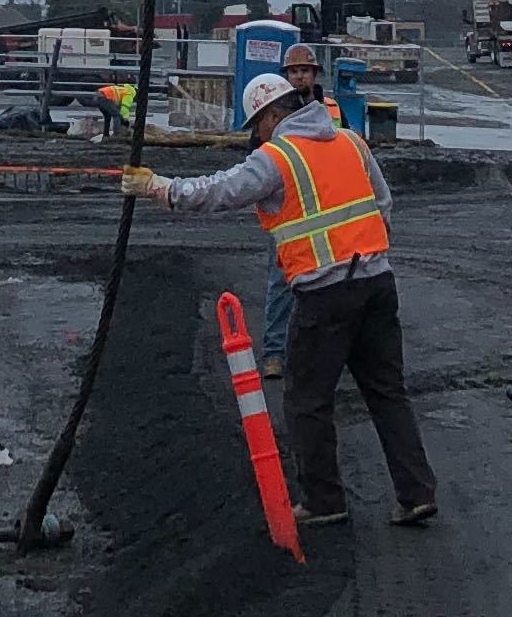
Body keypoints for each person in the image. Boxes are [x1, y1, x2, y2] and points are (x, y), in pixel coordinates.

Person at [120, 40, 438, 526]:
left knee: (307, 401)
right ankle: (416, 492)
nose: (256, 138)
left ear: (270, 117)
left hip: (323, 294)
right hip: (376, 283)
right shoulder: (350, 141)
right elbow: (383, 204)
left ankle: (324, 501)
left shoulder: (278, 157)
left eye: (256, 129)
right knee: (387, 392)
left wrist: (157, 188)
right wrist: (370, 251)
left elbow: (218, 192)